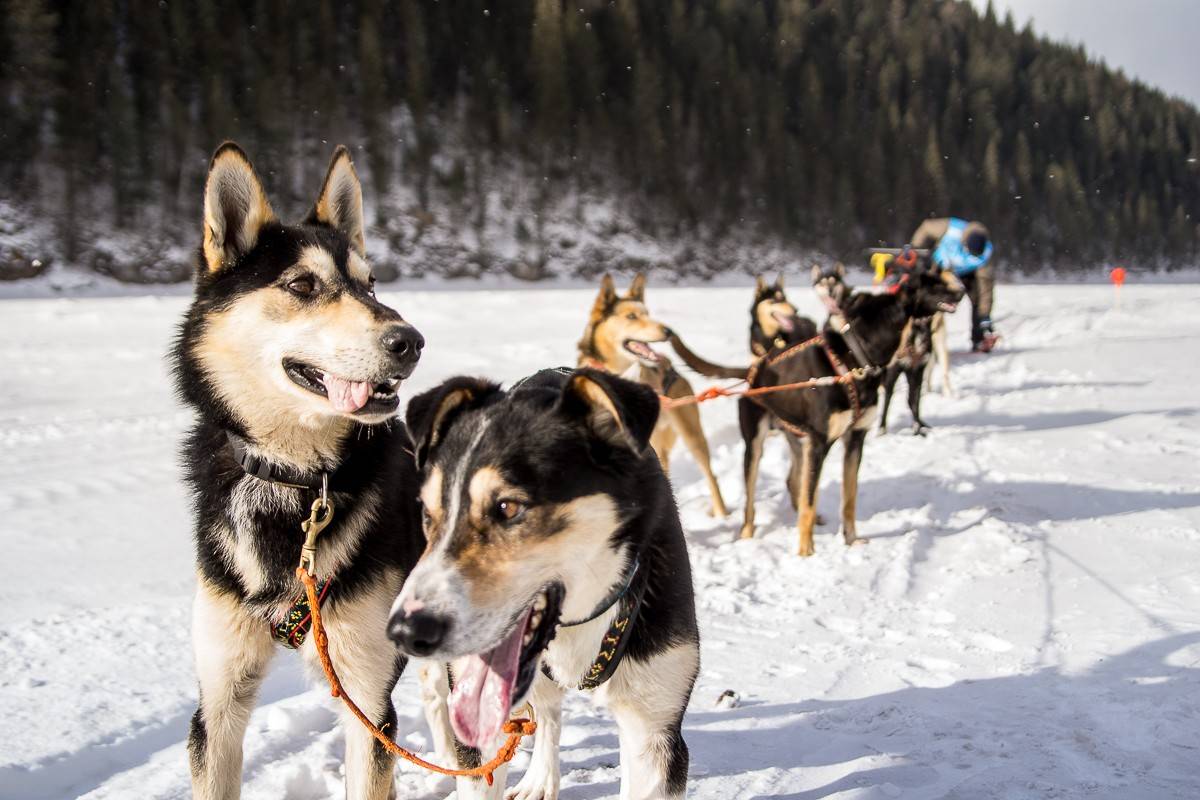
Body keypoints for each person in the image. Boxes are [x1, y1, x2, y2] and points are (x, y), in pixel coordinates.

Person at [911, 217, 997, 351]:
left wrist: (985, 315)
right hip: (940, 268)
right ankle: (924, 338)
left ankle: (978, 339)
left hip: (966, 274)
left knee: (978, 299)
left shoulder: (986, 254)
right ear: (965, 244)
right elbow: (926, 227)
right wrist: (915, 249)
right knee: (930, 299)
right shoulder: (952, 228)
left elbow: (986, 288)